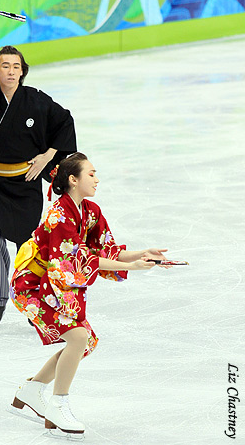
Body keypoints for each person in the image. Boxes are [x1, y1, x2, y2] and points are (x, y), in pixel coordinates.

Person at [9, 152, 170, 436]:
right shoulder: (59, 215)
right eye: (91, 174)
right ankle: (59, 404)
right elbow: (71, 260)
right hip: (32, 286)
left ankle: (33, 390)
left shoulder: (90, 211)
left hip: (55, 283)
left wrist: (141, 253)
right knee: (79, 337)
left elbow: (106, 250)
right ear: (73, 179)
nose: (97, 179)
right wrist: (129, 265)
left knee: (85, 341)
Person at [0, 5, 77, 328]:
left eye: (15, 66)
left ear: (22, 72)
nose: (10, 71)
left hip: (25, 183)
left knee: (28, 248)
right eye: (4, 66)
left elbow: (65, 123)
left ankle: (37, 297)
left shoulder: (36, 101)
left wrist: (49, 155)